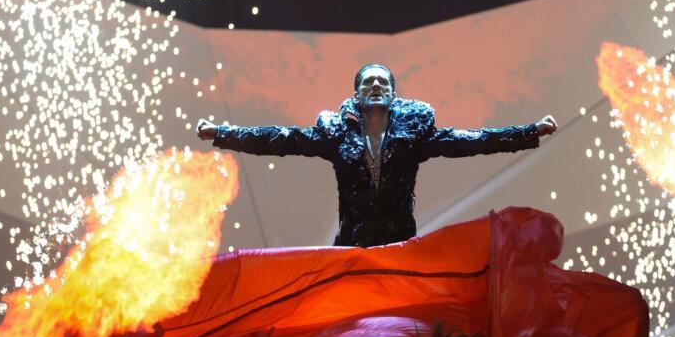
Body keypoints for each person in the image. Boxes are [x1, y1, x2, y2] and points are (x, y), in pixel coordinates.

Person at [195, 64, 558, 247]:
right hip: (352, 246)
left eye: (382, 82)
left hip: (400, 243)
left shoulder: (414, 136)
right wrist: (224, 134)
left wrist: (529, 132)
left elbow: (473, 141)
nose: (375, 86)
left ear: (393, 96)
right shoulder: (335, 136)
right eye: (367, 82)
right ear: (356, 96)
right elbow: (280, 138)